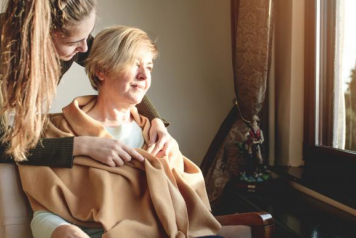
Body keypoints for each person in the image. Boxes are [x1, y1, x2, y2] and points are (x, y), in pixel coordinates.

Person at [18, 25, 222, 238]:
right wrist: (60, 230)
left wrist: (157, 121)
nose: (144, 76)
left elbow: (190, 211)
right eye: (133, 64)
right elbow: (44, 212)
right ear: (102, 71)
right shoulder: (58, 131)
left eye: (149, 67)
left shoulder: (155, 136)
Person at [0, 0, 172, 167]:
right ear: (40, 36)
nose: (84, 49)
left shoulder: (75, 36)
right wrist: (82, 146)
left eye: (87, 35)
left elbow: (113, 68)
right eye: (73, 42)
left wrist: (154, 118)